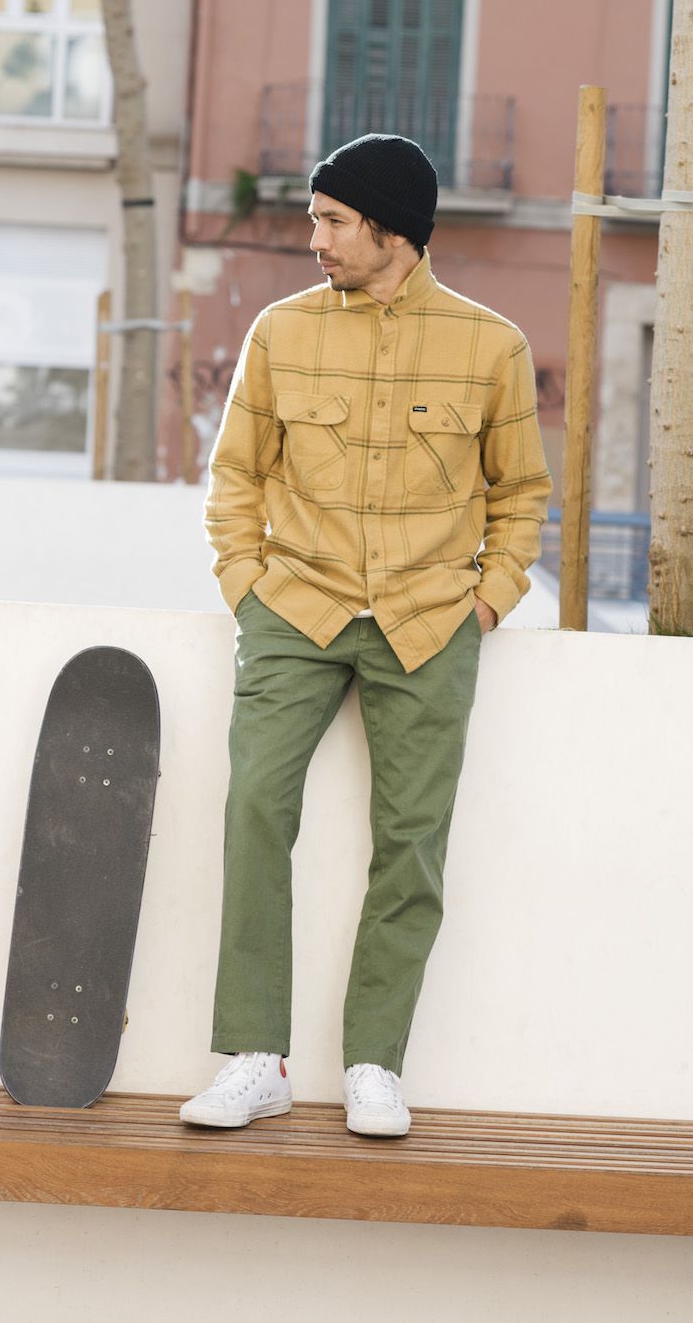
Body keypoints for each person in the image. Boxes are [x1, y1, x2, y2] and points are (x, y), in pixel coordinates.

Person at [180, 132, 551, 1137]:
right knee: (254, 806)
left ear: (391, 230)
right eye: (316, 219)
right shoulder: (279, 332)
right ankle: (253, 1058)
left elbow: (521, 495)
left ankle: (374, 1064)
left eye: (333, 221)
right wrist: (247, 586)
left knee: (411, 844)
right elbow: (235, 477)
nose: (316, 239)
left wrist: (487, 601)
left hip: (428, 624)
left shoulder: (491, 348)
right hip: (294, 610)